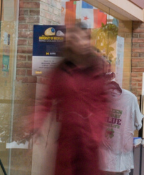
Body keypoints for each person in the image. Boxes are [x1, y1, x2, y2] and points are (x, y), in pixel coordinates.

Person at [32, 22, 109, 175]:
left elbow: (104, 103)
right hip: (67, 140)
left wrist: (96, 130)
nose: (85, 42)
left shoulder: (97, 69)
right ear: (71, 43)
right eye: (80, 39)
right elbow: (46, 100)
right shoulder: (60, 72)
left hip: (90, 142)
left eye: (87, 38)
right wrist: (36, 124)